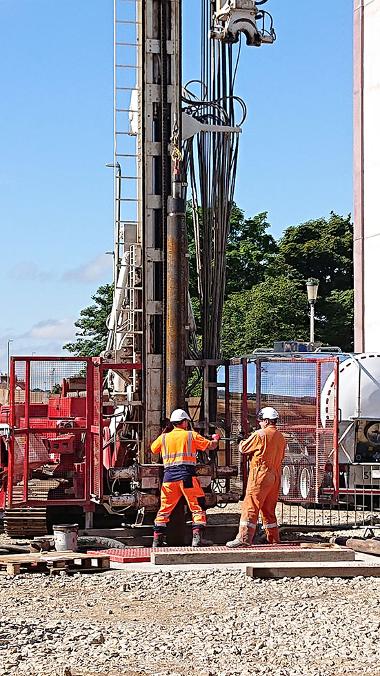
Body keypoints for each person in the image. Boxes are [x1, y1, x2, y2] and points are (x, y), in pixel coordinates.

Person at [151, 408, 219, 548]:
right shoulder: (190, 435)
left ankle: (157, 540)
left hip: (169, 478)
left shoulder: (164, 437)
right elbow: (210, 446)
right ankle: (197, 539)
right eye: (186, 421)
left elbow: (153, 449)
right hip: (186, 477)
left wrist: (164, 433)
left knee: (164, 508)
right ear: (183, 422)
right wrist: (215, 439)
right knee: (197, 505)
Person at [226, 406, 286, 548]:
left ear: (266, 420)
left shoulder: (260, 435)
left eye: (260, 421)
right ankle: (273, 538)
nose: (259, 423)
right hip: (275, 475)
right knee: (269, 509)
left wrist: (240, 440)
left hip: (260, 475)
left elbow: (243, 448)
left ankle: (244, 538)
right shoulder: (281, 437)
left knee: (251, 505)